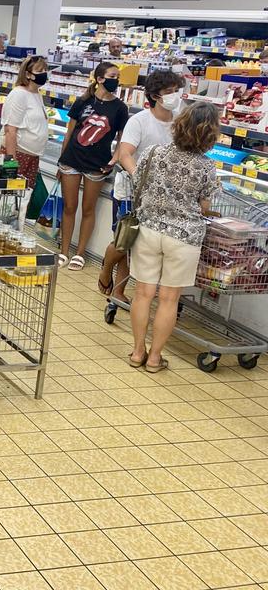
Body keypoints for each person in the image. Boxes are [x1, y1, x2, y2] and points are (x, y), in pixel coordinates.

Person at [129, 102, 220, 373]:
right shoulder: (206, 166)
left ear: (179, 124)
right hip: (184, 237)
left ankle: (137, 352)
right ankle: (155, 358)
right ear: (210, 134)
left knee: (143, 293)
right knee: (169, 298)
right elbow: (205, 204)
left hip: (149, 230)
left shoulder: (154, 153)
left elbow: (137, 184)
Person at [98, 69, 186, 303]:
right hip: (131, 191)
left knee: (138, 246)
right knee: (125, 239)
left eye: (176, 91)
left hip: (165, 194)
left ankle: (118, 291)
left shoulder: (180, 119)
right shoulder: (139, 121)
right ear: (155, 95)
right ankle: (106, 269)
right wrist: (138, 176)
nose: (174, 96)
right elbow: (125, 153)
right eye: (169, 92)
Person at [57, 61, 130, 270]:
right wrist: (61, 160)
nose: (116, 80)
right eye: (112, 76)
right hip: (71, 160)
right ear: (99, 79)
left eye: (117, 76)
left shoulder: (120, 108)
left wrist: (113, 160)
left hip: (98, 165)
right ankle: (64, 251)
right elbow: (69, 133)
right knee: (70, 207)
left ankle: (79, 253)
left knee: (89, 208)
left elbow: (121, 139)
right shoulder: (82, 101)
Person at [1, 56, 51, 226]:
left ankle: (14, 231)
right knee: (6, 200)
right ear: (28, 74)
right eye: (39, 71)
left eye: (45, 70)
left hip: (31, 158)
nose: (44, 74)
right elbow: (10, 130)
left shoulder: (36, 94)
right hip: (18, 156)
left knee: (22, 201)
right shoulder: (19, 94)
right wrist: (10, 164)